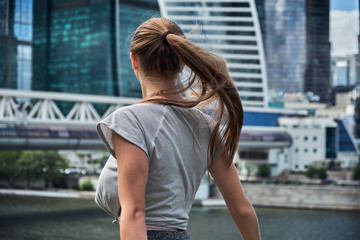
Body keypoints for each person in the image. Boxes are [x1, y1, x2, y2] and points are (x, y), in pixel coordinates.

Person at [95, 17, 261, 240]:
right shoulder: (206, 126)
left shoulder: (129, 120)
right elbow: (242, 210)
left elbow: (135, 214)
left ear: (134, 60)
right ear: (182, 62)